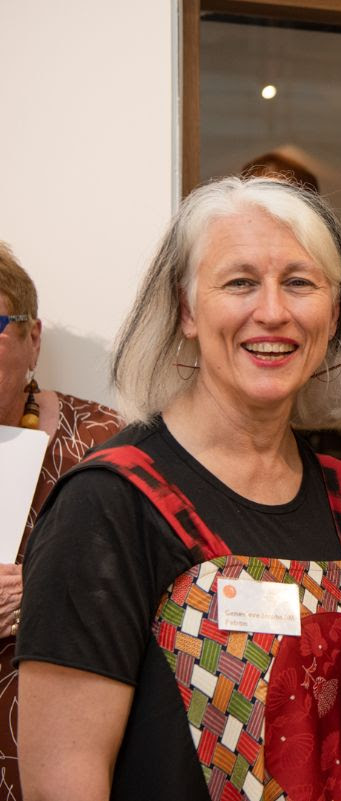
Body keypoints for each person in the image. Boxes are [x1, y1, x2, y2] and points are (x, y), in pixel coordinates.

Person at [16, 177, 341, 801]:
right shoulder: (110, 504)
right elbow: (63, 779)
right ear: (188, 310)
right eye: (240, 282)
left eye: (300, 283)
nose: (273, 311)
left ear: (332, 314)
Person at [0, 243, 122, 799]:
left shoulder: (104, 444)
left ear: (33, 339)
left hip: (63, 757)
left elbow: (165, 596)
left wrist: (50, 592)